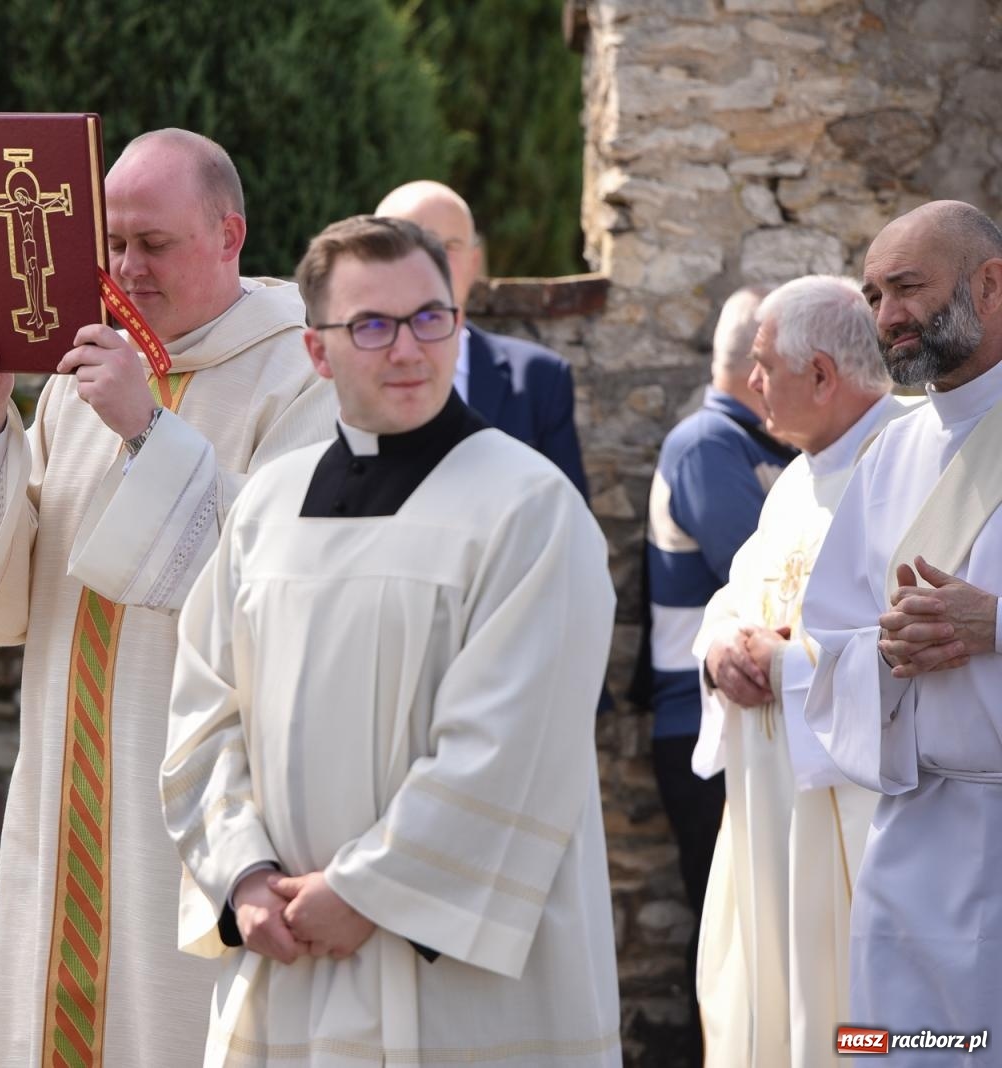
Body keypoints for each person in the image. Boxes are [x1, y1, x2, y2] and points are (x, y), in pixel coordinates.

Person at [162, 215, 620, 1066]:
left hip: (460, 986)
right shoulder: (266, 505)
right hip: (289, 954)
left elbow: (513, 747)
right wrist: (245, 876)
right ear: (317, 351)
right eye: (371, 325)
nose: (408, 349)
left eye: (430, 318)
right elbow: (202, 712)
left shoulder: (528, 508)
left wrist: (369, 891)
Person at [0, 128, 336, 1066]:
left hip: (199, 800)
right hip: (69, 785)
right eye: (111, 242)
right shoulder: (77, 378)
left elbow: (289, 590)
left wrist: (150, 429)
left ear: (230, 235)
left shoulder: (299, 374)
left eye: (153, 243)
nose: (123, 267)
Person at [687, 277, 906, 1066]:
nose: (750, 384)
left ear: (820, 375)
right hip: (770, 802)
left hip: (852, 817)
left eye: (763, 363)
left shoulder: (910, 467)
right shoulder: (800, 477)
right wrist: (719, 655)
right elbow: (734, 597)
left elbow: (918, 647)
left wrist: (788, 669)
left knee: (852, 1017)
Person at [802, 201, 1002, 1045]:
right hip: (912, 840)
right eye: (875, 294)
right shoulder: (890, 453)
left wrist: (995, 623)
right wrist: (886, 651)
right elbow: (832, 636)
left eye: (908, 288)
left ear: (990, 283)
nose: (887, 317)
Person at [640, 284, 795, 1045]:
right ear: (756, 367)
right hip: (697, 726)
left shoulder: (771, 448)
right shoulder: (709, 444)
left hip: (757, 719)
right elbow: (770, 582)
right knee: (731, 939)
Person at [375, 179, 588, 497]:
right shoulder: (338, 380)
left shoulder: (539, 380)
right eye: (415, 244)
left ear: (474, 262)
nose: (435, 261)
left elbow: (569, 527)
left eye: (450, 246)